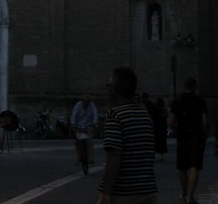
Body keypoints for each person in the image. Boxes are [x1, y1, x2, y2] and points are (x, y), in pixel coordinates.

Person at [98, 66, 157, 204]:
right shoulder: (145, 115)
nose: (107, 90)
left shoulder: (115, 115)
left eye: (108, 85)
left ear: (114, 88)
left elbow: (114, 155)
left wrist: (106, 192)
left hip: (123, 193)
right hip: (148, 191)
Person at [169, 77, 208, 204]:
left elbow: (171, 122)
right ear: (195, 87)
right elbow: (204, 122)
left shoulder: (177, 101)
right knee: (194, 166)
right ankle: (190, 196)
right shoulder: (200, 101)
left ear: (184, 86)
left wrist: (176, 132)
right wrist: (204, 133)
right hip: (197, 137)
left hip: (182, 137)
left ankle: (184, 192)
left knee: (182, 167)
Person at [70, 92, 98, 174]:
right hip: (79, 126)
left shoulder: (92, 105)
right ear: (82, 101)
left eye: (87, 102)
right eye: (84, 102)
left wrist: (95, 122)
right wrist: (73, 124)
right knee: (77, 143)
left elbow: (95, 114)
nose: (86, 103)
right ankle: (77, 158)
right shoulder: (78, 105)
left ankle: (90, 158)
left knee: (90, 142)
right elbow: (74, 115)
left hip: (88, 126)